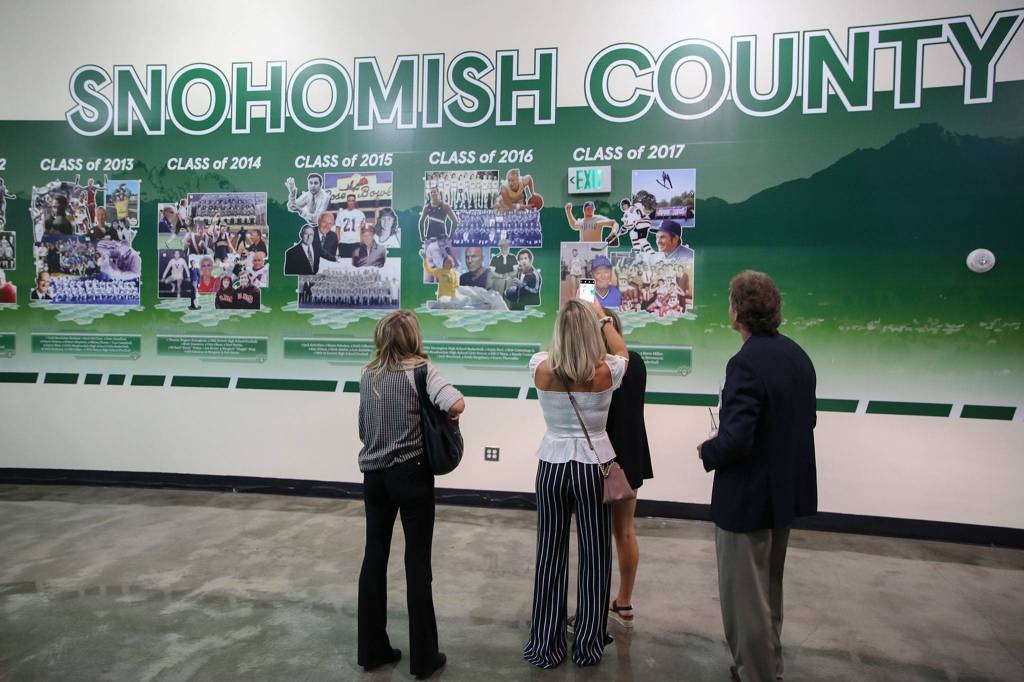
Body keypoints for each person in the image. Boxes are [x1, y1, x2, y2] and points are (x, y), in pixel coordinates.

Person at [698, 271, 817, 682]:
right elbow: (806, 421)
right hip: (782, 494)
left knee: (745, 599)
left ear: (736, 313)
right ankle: (770, 667)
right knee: (768, 590)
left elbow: (737, 440)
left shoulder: (745, 363)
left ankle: (756, 673)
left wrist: (707, 450)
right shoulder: (797, 356)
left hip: (747, 498)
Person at [357, 310, 465, 679]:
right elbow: (456, 403)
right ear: (412, 338)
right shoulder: (422, 370)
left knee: (374, 557)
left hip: (374, 476)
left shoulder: (369, 374)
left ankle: (373, 650)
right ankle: (424, 657)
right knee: (417, 563)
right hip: (412, 475)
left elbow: (362, 429)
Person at [523, 298, 629, 669]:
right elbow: (623, 351)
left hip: (551, 467)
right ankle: (587, 643)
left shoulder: (540, 368)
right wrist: (601, 319)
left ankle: (546, 643)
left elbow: (552, 351)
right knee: (595, 557)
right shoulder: (606, 371)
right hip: (592, 467)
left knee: (548, 554)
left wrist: (564, 327)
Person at [600, 309, 653, 629]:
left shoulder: (600, 368)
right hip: (631, 455)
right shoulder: (638, 363)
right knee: (625, 530)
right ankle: (624, 601)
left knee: (596, 534)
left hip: (602, 457)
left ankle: (594, 603)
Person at [337, 193, 366, 258]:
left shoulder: (360, 214)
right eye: (349, 200)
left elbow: (363, 230)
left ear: (355, 202)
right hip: (343, 243)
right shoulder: (341, 214)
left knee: (355, 262)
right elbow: (337, 229)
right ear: (347, 202)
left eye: (352, 201)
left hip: (356, 242)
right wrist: (338, 241)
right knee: (344, 262)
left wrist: (362, 241)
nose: (351, 202)